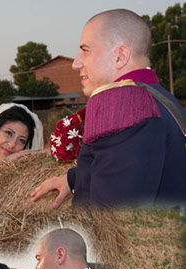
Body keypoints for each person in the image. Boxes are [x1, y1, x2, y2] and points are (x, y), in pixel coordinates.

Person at [31, 9, 186, 208]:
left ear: (120, 56)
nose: (76, 63)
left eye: (85, 50)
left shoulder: (122, 103)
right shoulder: (163, 99)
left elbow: (112, 219)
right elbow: (137, 164)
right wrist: (75, 178)